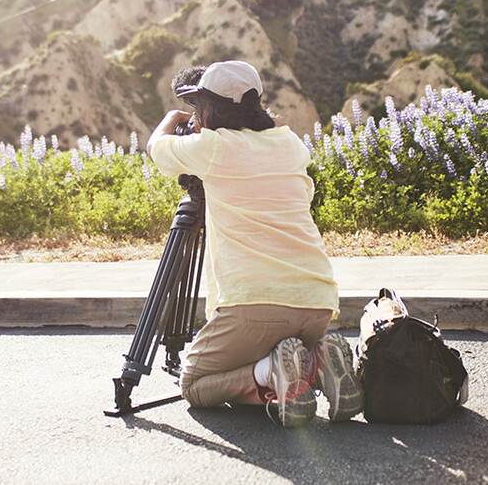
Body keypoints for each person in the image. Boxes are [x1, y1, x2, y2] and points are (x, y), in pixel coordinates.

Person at [146, 59, 363, 427]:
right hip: (317, 306)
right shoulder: (291, 144)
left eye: (200, 106)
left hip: (253, 306)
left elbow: (156, 147)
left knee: (195, 384)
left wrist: (175, 117)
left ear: (209, 108)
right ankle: (319, 356)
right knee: (267, 355)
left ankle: (277, 370)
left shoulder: (212, 147)